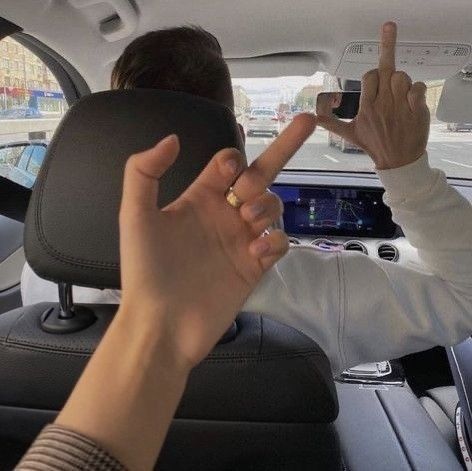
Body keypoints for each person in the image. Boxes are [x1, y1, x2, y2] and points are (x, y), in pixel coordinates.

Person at [15, 21, 472, 470]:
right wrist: (406, 170)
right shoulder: (318, 290)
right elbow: (463, 297)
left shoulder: (42, 281)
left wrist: (157, 334)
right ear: (236, 140)